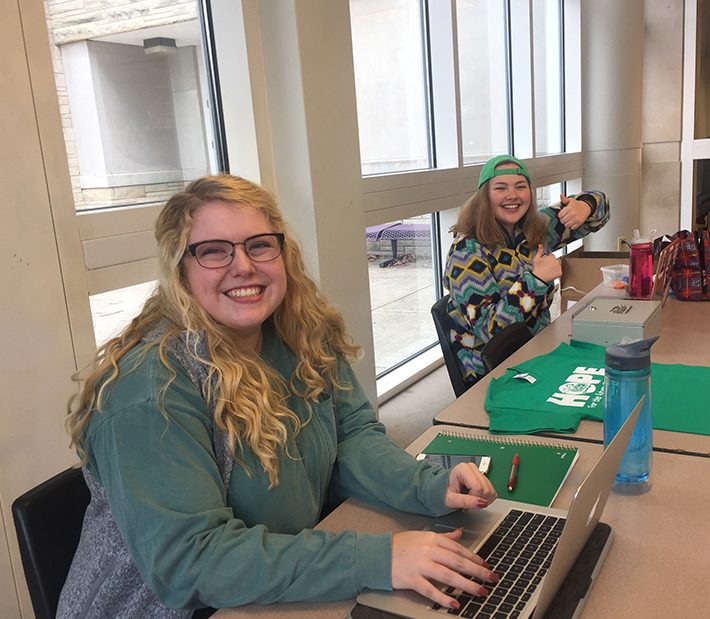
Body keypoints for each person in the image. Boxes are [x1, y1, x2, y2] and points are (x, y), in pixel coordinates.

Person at [57, 174, 498, 618]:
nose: (244, 266)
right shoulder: (152, 389)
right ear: (180, 269)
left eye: (259, 245)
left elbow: (351, 436)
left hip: (273, 588)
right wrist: (377, 559)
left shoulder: (300, 334)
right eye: (213, 251)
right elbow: (192, 562)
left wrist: (427, 486)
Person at [444, 155, 610, 385]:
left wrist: (585, 205)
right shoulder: (467, 251)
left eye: (520, 186)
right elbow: (489, 331)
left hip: (540, 348)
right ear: (484, 196)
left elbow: (600, 211)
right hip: (494, 372)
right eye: (501, 188)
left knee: (611, 363)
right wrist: (536, 281)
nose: (512, 195)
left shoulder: (534, 228)